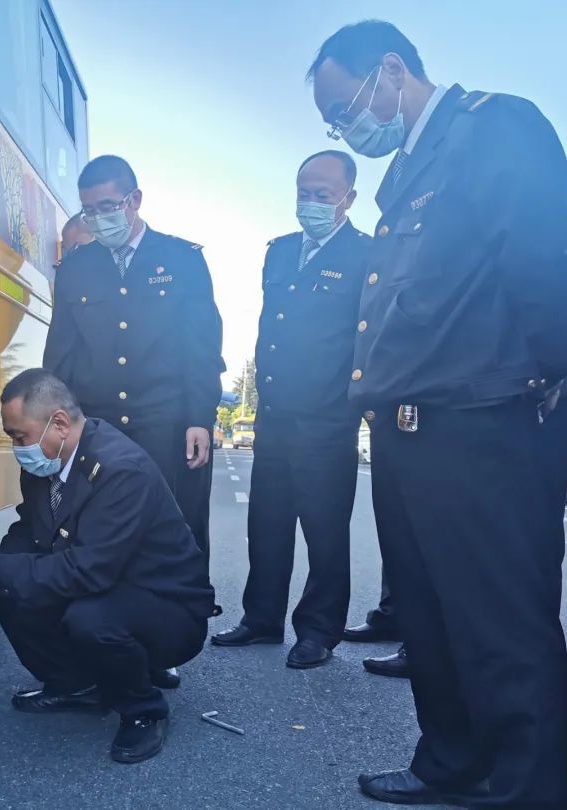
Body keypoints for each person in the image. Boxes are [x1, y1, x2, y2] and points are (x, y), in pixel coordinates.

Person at [309, 20, 567, 809]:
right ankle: (450, 761)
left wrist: (543, 380)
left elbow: (540, 268)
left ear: (391, 69)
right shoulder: (405, 171)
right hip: (405, 431)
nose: (343, 127)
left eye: (344, 106)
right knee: (428, 619)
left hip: (479, 422)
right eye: (330, 122)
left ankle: (530, 792)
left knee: (500, 624)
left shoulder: (497, 126)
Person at [357, 202, 567, 683]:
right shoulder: (450, 219)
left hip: (540, 408)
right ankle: (429, 647)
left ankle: (521, 664)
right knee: (437, 533)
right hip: (456, 402)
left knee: (523, 544)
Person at [0, 369, 216, 764]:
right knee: (4, 582)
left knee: (90, 619)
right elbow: (31, 528)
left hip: (167, 607)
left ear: (59, 423)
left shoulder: (119, 470)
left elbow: (89, 571)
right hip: (113, 585)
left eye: (19, 437)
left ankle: (143, 710)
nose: (16, 448)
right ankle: (75, 685)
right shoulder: (47, 462)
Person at [210, 151, 370, 670]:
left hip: (328, 417)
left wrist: (351, 403)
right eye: (304, 192)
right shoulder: (279, 252)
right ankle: (261, 618)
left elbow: (367, 339)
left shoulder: (365, 255)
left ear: (349, 198)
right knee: (268, 521)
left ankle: (319, 629)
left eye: (323, 194)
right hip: (276, 415)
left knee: (324, 530)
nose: (311, 203)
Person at [44, 155, 224, 582]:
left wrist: (200, 418)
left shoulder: (182, 259)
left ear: (135, 200)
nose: (101, 218)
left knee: (175, 520)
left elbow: (201, 347)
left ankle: (183, 609)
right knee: (102, 521)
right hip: (99, 421)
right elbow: (61, 353)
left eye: (110, 206)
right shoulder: (75, 268)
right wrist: (55, 421)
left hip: (166, 419)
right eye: (91, 210)